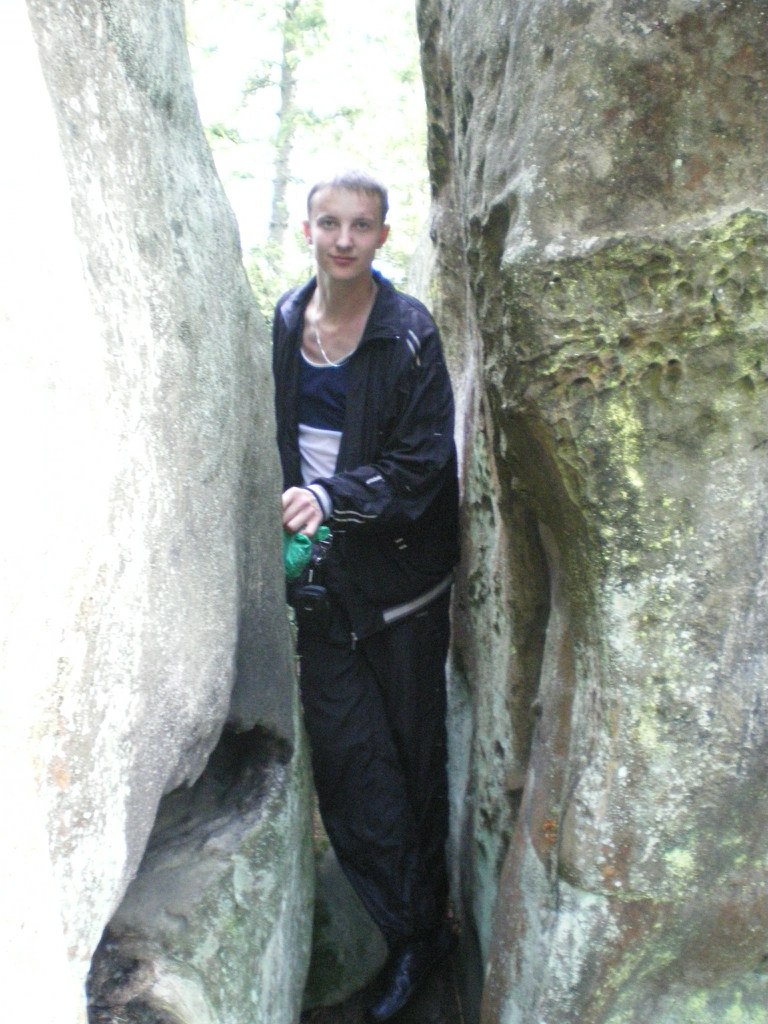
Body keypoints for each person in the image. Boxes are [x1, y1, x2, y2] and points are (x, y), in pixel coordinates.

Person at [272, 170, 459, 1022]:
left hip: (401, 593)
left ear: (383, 236)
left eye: (361, 225)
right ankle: (400, 925)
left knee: (413, 762)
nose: (343, 239)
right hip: (321, 587)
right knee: (351, 765)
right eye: (329, 223)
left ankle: (424, 941)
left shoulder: (408, 333)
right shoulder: (286, 321)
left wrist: (332, 496)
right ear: (307, 230)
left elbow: (424, 469)